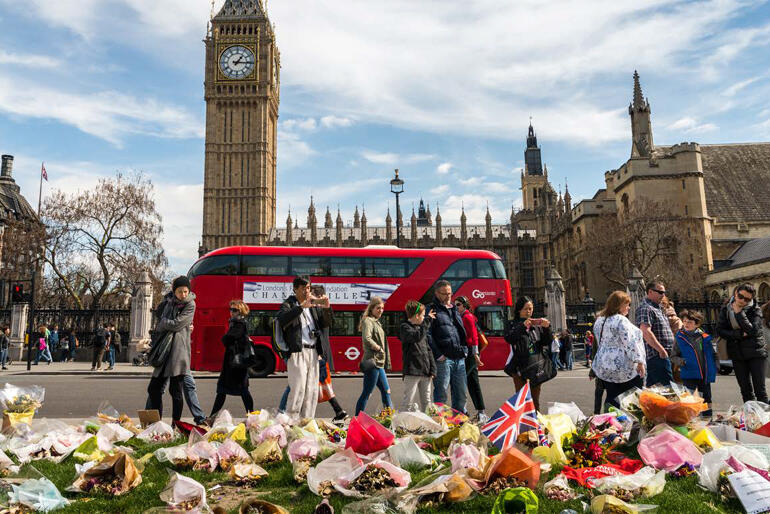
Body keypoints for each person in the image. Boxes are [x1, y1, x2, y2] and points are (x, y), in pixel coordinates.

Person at [278, 285, 346, 422]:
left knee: (311, 391)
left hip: (314, 351)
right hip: (298, 351)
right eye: (303, 288)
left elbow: (327, 323)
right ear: (295, 289)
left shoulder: (314, 308)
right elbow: (283, 320)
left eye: (308, 288)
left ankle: (307, 421)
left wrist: (327, 308)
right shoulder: (289, 304)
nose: (306, 291)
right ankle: (291, 420)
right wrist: (302, 307)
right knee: (298, 388)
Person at [146, 276, 196, 422]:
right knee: (153, 389)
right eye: (180, 291)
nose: (183, 295)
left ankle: (176, 424)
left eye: (185, 291)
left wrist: (164, 322)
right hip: (164, 351)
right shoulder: (169, 302)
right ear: (174, 291)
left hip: (178, 353)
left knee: (175, 391)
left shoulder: (190, 305)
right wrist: (166, 322)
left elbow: (177, 324)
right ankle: (156, 422)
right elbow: (160, 317)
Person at [592, 291, 646, 411]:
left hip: (605, 365)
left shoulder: (600, 320)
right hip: (623, 367)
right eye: (627, 304)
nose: (629, 307)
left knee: (611, 397)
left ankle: (610, 422)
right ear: (619, 305)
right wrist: (640, 361)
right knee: (632, 399)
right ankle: (630, 424)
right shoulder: (621, 320)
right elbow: (630, 343)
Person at [717, 284, 767, 403]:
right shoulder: (726, 309)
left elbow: (753, 331)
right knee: (745, 390)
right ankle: (751, 418)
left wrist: (739, 313)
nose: (743, 301)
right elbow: (720, 330)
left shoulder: (756, 310)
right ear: (735, 294)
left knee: (760, 390)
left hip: (756, 353)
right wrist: (738, 334)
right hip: (737, 354)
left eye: (747, 299)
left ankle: (765, 420)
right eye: (740, 297)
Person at [504, 296, 553, 411]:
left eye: (530, 309)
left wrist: (547, 328)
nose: (528, 311)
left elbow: (546, 342)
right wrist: (522, 326)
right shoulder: (513, 324)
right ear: (519, 310)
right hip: (519, 368)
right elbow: (509, 338)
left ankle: (535, 425)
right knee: (521, 399)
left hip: (535, 366)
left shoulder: (536, 325)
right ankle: (521, 424)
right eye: (526, 309)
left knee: (535, 400)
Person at [426, 280, 468, 413]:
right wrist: (438, 354)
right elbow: (427, 334)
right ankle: (440, 422)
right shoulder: (431, 309)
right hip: (443, 359)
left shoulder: (454, 309)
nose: (447, 297)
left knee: (461, 394)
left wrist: (465, 350)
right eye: (444, 294)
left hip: (459, 357)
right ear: (437, 293)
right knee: (441, 394)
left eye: (449, 293)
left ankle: (459, 421)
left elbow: (460, 331)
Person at [210, 300, 255, 416]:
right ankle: (212, 416)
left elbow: (228, 338)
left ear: (241, 311)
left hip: (237, 365)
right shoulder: (234, 323)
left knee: (243, 392)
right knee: (222, 391)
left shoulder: (240, 324)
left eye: (234, 310)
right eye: (231, 309)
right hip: (232, 364)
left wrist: (225, 338)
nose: (231, 312)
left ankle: (252, 415)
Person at [672, 309, 717, 416]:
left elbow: (712, 354)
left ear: (697, 324)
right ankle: (690, 421)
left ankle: (708, 418)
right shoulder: (679, 337)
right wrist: (683, 361)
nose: (687, 324)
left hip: (704, 374)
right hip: (689, 374)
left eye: (690, 322)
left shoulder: (704, 337)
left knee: (706, 399)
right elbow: (673, 356)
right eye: (685, 321)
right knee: (689, 400)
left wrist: (716, 366)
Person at [355, 297, 393, 415]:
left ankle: (390, 418)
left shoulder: (377, 322)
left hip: (379, 363)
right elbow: (367, 339)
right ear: (371, 308)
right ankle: (357, 419)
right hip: (373, 362)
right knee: (367, 393)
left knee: (386, 391)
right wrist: (378, 348)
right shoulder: (368, 321)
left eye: (382, 308)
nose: (381, 310)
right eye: (378, 308)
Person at [399, 300, 437, 413]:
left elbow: (428, 350)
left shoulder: (421, 329)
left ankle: (428, 424)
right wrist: (427, 321)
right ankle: (403, 425)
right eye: (423, 315)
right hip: (412, 371)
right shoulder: (405, 327)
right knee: (408, 401)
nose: (424, 318)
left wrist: (433, 368)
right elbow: (416, 337)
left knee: (427, 401)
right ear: (416, 316)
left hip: (425, 371)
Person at [636, 280, 675, 387]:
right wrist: (661, 350)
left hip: (664, 355)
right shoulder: (646, 308)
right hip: (656, 355)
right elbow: (645, 331)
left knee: (657, 392)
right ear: (650, 292)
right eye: (660, 292)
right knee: (666, 390)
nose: (663, 295)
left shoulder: (658, 308)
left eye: (664, 292)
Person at [455, 296, 487, 422]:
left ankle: (466, 410)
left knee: (463, 382)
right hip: (468, 353)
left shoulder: (467, 317)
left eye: (458, 305)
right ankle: (480, 411)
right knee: (472, 382)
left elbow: (474, 337)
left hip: (469, 353)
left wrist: (475, 354)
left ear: (464, 305)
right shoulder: (462, 317)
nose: (456, 307)